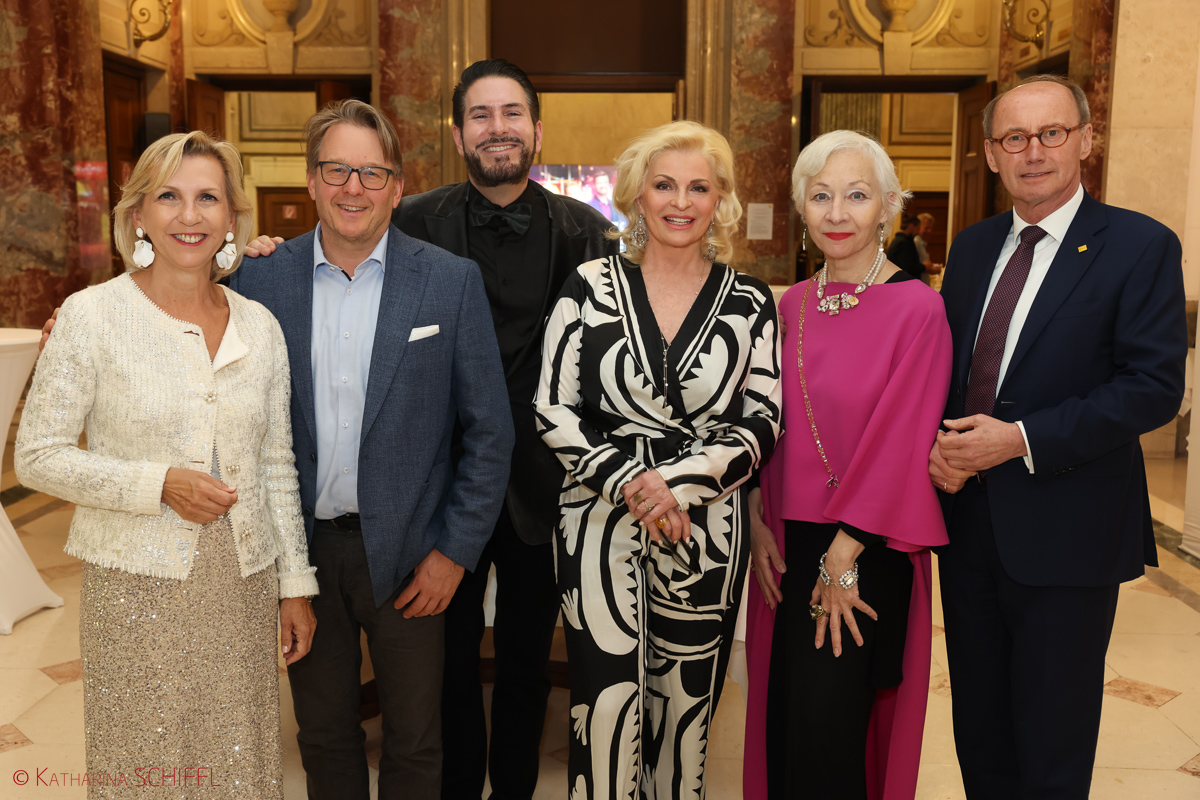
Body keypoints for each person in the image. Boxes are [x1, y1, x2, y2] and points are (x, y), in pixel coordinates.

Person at [244, 60, 618, 800]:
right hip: (411, 496)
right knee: (423, 692)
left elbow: (605, 356)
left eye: (512, 113)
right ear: (457, 135)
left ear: (537, 129)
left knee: (516, 670)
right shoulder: (400, 222)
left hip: (536, 486)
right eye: (481, 115)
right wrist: (240, 254)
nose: (355, 187)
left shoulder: (587, 232)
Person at [16, 130, 319, 798]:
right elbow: (37, 457)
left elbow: (276, 465)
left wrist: (295, 584)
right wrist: (158, 484)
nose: (190, 215)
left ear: (232, 217)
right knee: (144, 765)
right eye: (169, 197)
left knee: (236, 763)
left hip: (241, 585)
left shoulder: (260, 326)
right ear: (138, 216)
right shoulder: (92, 317)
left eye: (208, 197)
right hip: (135, 588)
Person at [928, 74, 1187, 799]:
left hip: (1071, 533)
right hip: (969, 528)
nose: (1033, 152)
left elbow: (1152, 387)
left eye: (1051, 133)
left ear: (1085, 140)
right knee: (981, 732)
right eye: (1014, 138)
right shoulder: (973, 248)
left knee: (1051, 742)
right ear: (990, 154)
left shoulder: (1139, 245)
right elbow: (949, 371)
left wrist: (1020, 439)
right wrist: (937, 448)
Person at [534, 120, 782, 799]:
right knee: (605, 705)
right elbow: (551, 408)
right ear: (637, 195)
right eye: (664, 185)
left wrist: (678, 485)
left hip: (708, 524)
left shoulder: (750, 300)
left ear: (720, 199)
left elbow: (764, 419)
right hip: (597, 519)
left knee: (686, 711)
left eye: (699, 187)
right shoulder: (587, 286)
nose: (680, 201)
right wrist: (633, 484)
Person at [742, 130, 952, 800]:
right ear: (801, 206)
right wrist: (756, 519)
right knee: (786, 721)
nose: (837, 213)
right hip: (787, 542)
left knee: (829, 732)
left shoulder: (918, 308)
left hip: (866, 543)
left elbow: (905, 437)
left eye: (857, 196)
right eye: (821, 195)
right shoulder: (792, 304)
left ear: (888, 206)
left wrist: (843, 555)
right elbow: (767, 421)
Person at [886, 214, 923, 280]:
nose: (918, 232)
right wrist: (924, 267)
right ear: (911, 226)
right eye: (917, 228)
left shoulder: (899, 240)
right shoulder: (903, 243)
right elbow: (907, 268)